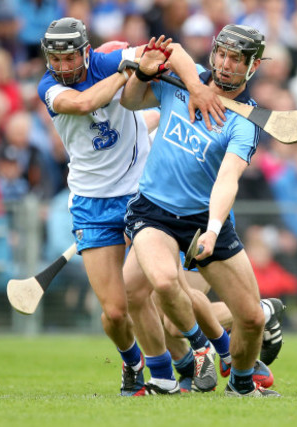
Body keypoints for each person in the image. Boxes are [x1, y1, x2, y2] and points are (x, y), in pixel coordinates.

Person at [36, 17, 225, 396]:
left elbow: (173, 52)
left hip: (142, 198)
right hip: (91, 204)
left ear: (86, 53)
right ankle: (133, 363)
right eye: (54, 59)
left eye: (68, 57)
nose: (61, 66)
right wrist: (131, 69)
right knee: (115, 311)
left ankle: (200, 356)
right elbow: (87, 102)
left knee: (158, 286)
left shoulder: (106, 63)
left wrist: (195, 89)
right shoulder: (51, 87)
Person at [120, 24, 281, 397]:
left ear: (252, 66)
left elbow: (228, 180)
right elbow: (133, 97)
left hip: (202, 222)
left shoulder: (244, 121)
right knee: (161, 284)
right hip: (154, 212)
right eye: (222, 54)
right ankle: (199, 352)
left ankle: (241, 384)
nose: (225, 65)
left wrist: (211, 229)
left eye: (236, 59)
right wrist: (188, 85)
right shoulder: (181, 80)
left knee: (252, 318)